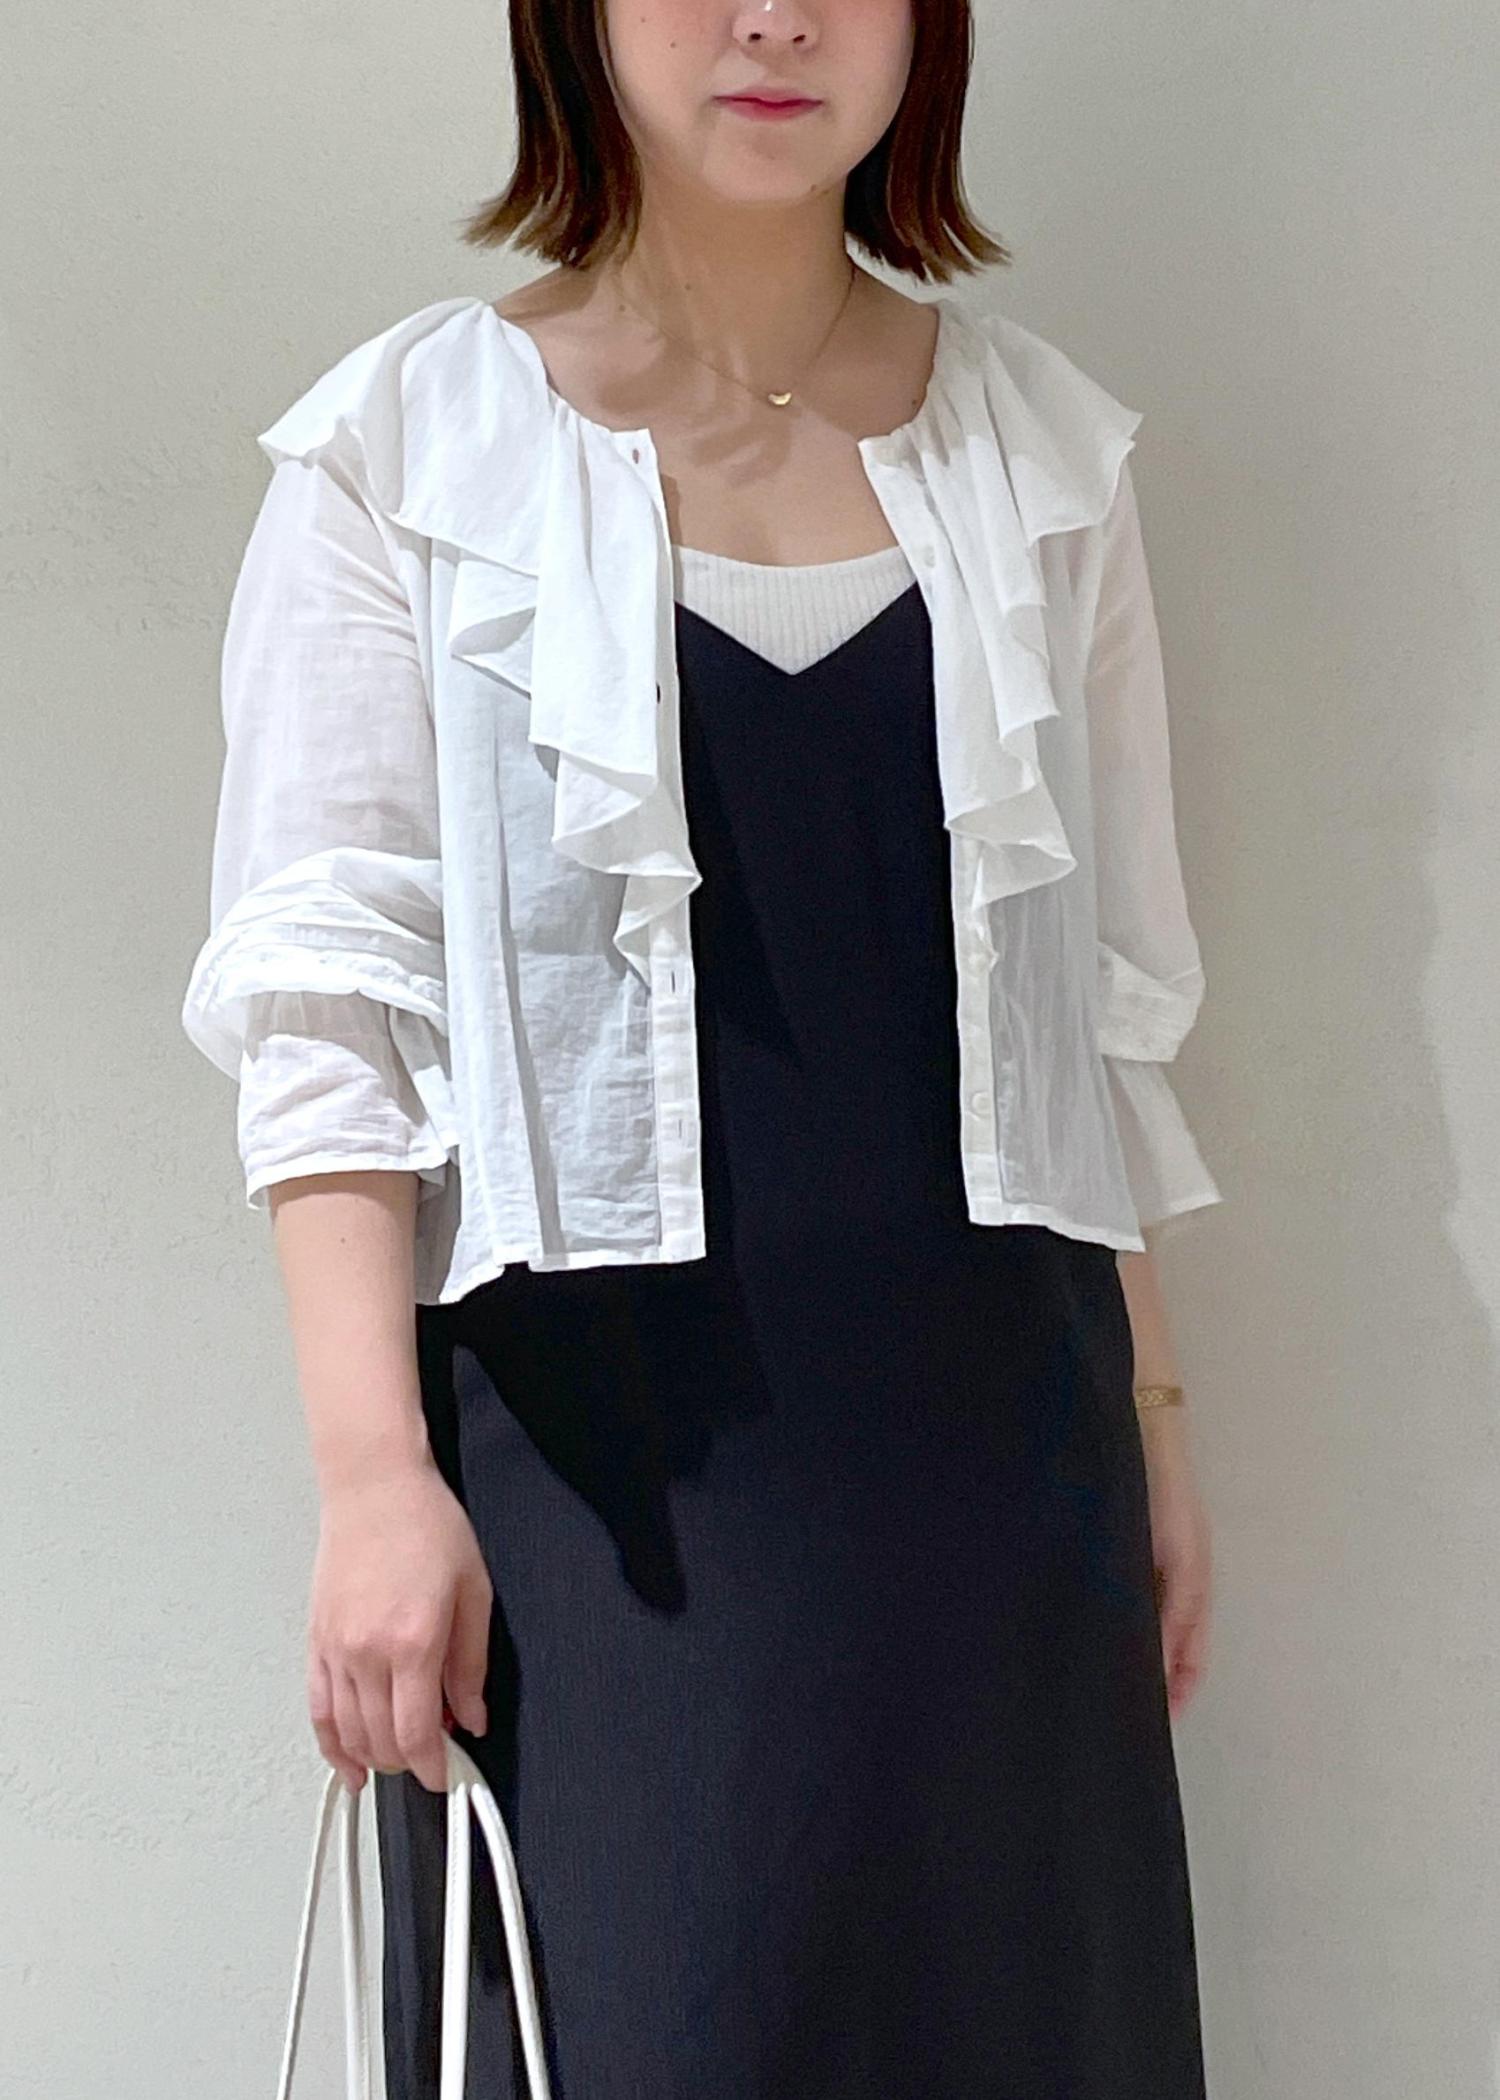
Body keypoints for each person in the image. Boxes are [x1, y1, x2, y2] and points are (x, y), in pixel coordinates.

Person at [181, 1, 1223, 2092]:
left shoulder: (1043, 458)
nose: (773, 17)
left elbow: (1101, 1004)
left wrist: (1162, 1430)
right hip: (598, 1488)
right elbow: (332, 1015)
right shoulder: (408, 454)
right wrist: (373, 1480)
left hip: (1006, 1470)